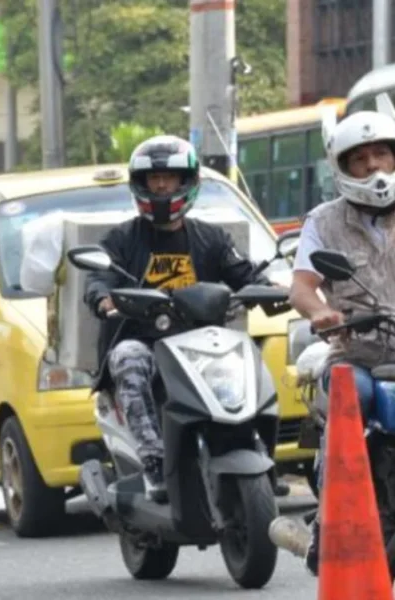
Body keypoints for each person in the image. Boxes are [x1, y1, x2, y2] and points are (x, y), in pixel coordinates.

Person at [83, 135, 269, 503]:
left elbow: (244, 274)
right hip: (144, 340)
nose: (163, 185)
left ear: (188, 182)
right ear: (141, 185)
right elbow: (98, 277)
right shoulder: (122, 239)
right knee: (128, 358)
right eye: (154, 179)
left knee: (248, 358)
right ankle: (153, 460)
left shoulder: (211, 238)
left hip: (201, 344)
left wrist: (270, 289)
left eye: (170, 177)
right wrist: (104, 298)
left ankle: (255, 448)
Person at [275, 107, 395, 578]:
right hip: (359, 354)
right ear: (342, 168)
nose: (373, 166)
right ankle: (330, 525)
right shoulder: (324, 221)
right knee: (351, 398)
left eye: (382, 153)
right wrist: (321, 312)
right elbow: (302, 285)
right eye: (360, 158)